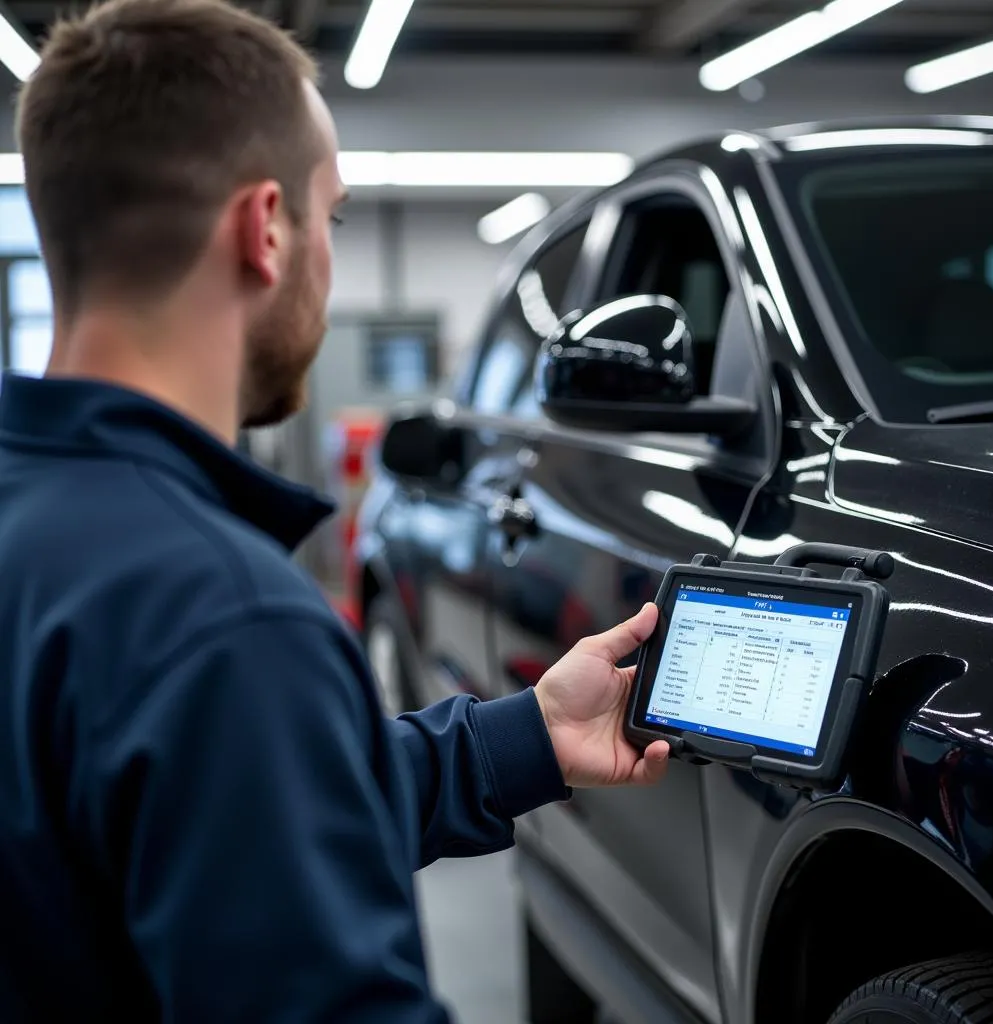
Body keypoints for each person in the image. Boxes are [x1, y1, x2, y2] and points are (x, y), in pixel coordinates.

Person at [0, 0, 671, 1019]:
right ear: (265, 229)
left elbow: (224, 820)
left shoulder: (40, 523)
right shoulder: (222, 619)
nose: (328, 254)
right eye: (333, 216)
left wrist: (526, 734)